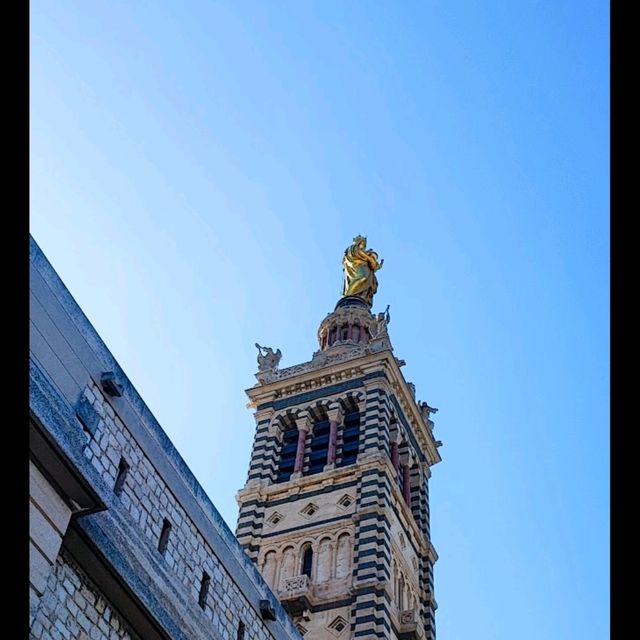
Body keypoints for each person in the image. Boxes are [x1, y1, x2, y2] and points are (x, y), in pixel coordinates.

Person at [342, 236, 384, 305]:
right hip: (356, 267)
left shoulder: (367, 256)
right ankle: (349, 295)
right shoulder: (353, 248)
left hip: (365, 269)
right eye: (363, 243)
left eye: (365, 244)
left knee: (367, 282)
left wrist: (376, 265)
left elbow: (372, 266)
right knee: (362, 277)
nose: (364, 246)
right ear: (358, 242)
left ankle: (361, 296)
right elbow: (358, 253)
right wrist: (370, 259)